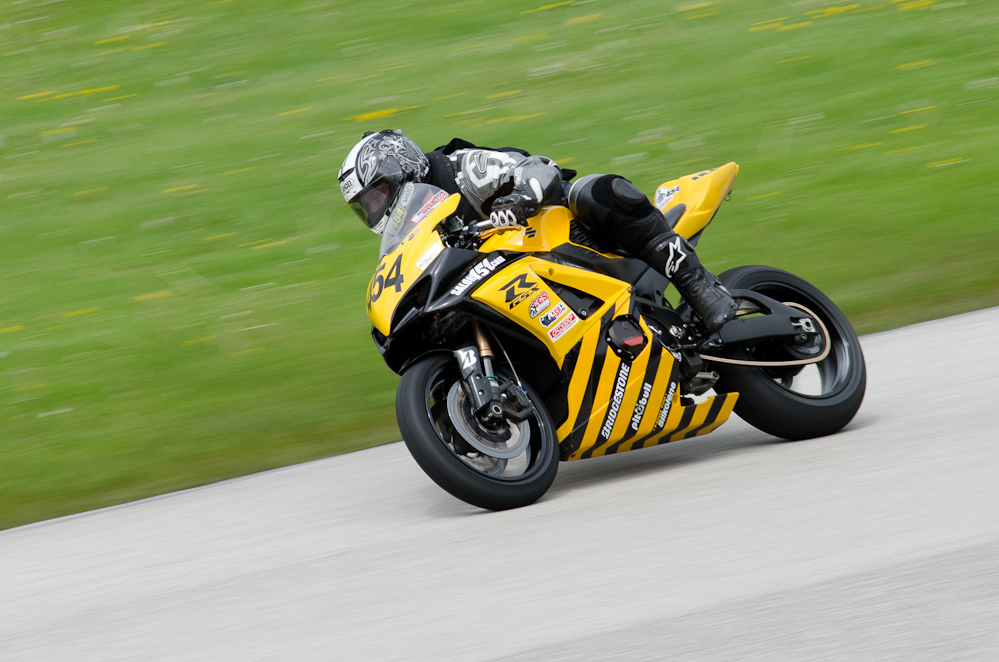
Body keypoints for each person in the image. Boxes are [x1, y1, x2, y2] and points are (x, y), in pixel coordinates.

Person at [338, 129, 737, 331]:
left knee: (594, 190)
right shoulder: (417, 223)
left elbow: (535, 167)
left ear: (400, 166)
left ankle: (698, 284)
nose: (375, 208)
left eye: (377, 194)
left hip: (566, 233)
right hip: (517, 276)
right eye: (366, 206)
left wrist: (519, 200)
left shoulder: (462, 168)